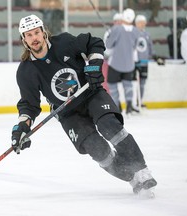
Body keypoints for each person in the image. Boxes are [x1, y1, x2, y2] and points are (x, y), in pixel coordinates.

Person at [11, 14, 157, 197]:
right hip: (68, 113)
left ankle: (141, 170)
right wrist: (22, 127)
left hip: (91, 95)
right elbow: (29, 105)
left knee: (110, 126)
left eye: (36, 32)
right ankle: (132, 177)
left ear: (44, 32)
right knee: (98, 150)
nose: (34, 38)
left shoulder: (64, 42)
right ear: (23, 39)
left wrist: (94, 64)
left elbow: (93, 43)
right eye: (29, 35)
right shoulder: (26, 71)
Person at [105, 8, 140, 114]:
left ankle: (117, 106)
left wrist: (110, 35)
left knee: (112, 84)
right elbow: (135, 46)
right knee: (128, 84)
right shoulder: (136, 31)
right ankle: (129, 105)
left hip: (115, 63)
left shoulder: (117, 29)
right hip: (129, 64)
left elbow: (108, 44)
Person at [134, 14, 154, 107]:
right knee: (133, 84)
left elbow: (150, 47)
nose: (143, 24)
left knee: (142, 83)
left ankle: (140, 101)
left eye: (144, 23)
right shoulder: (132, 33)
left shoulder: (147, 34)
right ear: (136, 23)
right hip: (134, 63)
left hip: (144, 63)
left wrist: (150, 57)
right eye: (141, 22)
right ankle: (133, 103)